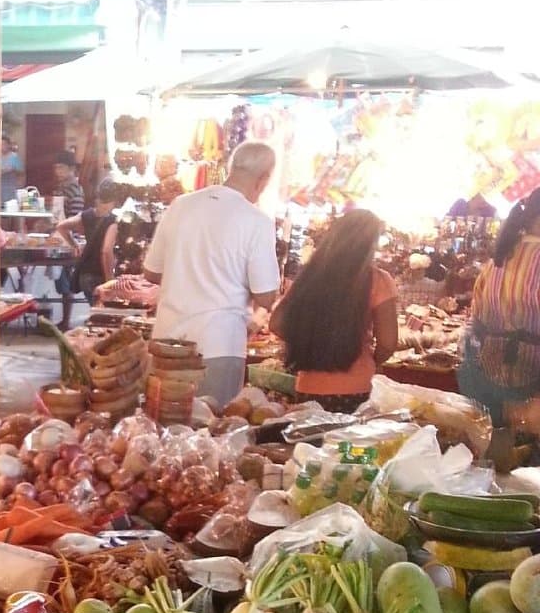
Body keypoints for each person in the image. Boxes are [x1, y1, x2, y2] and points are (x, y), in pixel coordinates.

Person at [143, 142, 280, 408]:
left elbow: (151, 271)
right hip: (218, 344)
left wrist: (187, 276)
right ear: (264, 179)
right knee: (212, 434)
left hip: (167, 340)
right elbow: (266, 296)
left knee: (162, 429)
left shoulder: (180, 205)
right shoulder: (257, 221)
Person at [269, 209, 398, 413]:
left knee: (310, 445)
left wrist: (311, 340)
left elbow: (276, 324)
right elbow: (388, 343)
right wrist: (370, 360)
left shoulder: (309, 277)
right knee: (346, 445)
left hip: (308, 387)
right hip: (358, 385)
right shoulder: (377, 280)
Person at [458, 189, 540, 422]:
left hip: (488, 376)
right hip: (532, 383)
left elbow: (476, 319)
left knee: (494, 447)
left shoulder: (497, 260)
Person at [49, 176, 120, 319]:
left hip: (85, 274)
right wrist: (109, 281)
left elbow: (61, 226)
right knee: (105, 316)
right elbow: (106, 251)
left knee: (99, 313)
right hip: (99, 274)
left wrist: (74, 245)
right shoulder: (113, 220)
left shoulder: (88, 214)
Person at [52, 151, 86, 329]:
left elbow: (76, 217)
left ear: (72, 169)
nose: (58, 171)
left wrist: (72, 242)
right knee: (62, 280)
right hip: (60, 236)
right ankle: (63, 321)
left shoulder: (74, 189)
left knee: (66, 280)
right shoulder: (61, 187)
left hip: (69, 238)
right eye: (56, 167)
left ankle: (65, 322)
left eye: (62, 167)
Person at [0, 134, 25, 207]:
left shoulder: (14, 157)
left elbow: (21, 173)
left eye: (4, 144)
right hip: (0, 188)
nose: (2, 146)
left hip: (11, 187)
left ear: (8, 145)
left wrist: (12, 170)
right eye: (0, 144)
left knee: (12, 208)